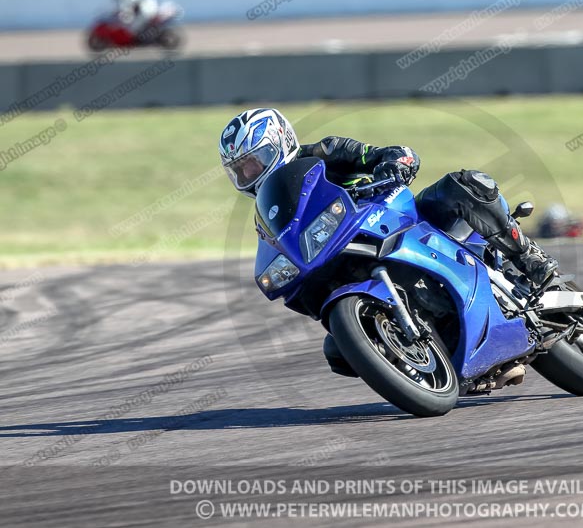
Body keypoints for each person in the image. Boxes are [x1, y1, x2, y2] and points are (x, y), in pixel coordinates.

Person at [219, 108, 558, 375]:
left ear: (280, 141)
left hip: (396, 221)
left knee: (464, 184)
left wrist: (394, 164)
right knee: (337, 351)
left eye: (254, 162)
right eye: (241, 170)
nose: (249, 174)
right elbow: (274, 245)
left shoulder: (326, 152)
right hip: (344, 254)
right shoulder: (269, 213)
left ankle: (529, 258)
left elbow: (390, 154)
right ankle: (418, 355)